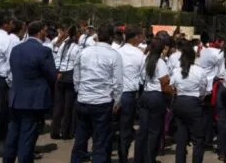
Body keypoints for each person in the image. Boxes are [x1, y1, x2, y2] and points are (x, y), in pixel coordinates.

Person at [2, 21, 55, 163]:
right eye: (45, 30)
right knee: (27, 137)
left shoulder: (17, 49)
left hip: (16, 97)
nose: (46, 33)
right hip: (34, 101)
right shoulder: (44, 51)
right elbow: (52, 75)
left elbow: (10, 71)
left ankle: (8, 159)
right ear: (39, 32)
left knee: (12, 135)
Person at [71, 24, 124, 163]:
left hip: (83, 100)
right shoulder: (114, 55)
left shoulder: (84, 52)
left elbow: (76, 74)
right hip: (102, 102)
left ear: (97, 37)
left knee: (80, 139)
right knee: (100, 143)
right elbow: (118, 83)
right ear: (112, 38)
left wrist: (79, 91)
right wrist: (117, 101)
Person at [135, 38, 171, 163]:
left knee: (143, 130)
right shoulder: (160, 63)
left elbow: (141, 78)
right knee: (154, 132)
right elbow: (164, 84)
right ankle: (149, 159)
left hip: (145, 95)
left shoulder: (146, 60)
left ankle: (138, 158)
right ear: (162, 49)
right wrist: (173, 91)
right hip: (156, 97)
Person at [171, 43, 208, 163]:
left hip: (180, 103)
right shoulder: (199, 71)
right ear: (194, 57)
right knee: (198, 140)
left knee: (181, 139)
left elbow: (173, 86)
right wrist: (200, 97)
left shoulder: (177, 70)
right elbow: (203, 88)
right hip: (194, 103)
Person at [117, 26, 144, 163]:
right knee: (126, 129)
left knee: (113, 127)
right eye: (140, 36)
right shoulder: (139, 54)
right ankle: (123, 157)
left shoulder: (118, 51)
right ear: (135, 38)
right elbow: (143, 76)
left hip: (115, 93)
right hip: (129, 95)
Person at [50, 25, 80, 140]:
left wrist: (58, 71)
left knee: (58, 105)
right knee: (68, 107)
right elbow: (77, 64)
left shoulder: (62, 45)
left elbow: (56, 58)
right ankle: (66, 132)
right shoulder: (77, 48)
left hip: (60, 74)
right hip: (70, 75)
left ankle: (54, 130)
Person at [0, 13, 18, 155]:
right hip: (1, 80)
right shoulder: (8, 40)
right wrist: (11, 82)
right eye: (11, 22)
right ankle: (0, 143)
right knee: (1, 113)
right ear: (5, 24)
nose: (12, 25)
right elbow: (11, 63)